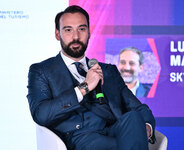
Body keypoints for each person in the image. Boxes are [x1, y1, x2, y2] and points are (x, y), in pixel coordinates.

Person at [27, 5, 155, 150]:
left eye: (81, 29)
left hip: (113, 131)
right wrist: (84, 87)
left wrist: (146, 128)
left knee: (133, 117)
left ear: (89, 32)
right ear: (58, 34)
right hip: (79, 138)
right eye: (68, 30)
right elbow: (40, 114)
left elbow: (138, 108)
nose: (76, 36)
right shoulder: (41, 71)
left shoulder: (108, 70)